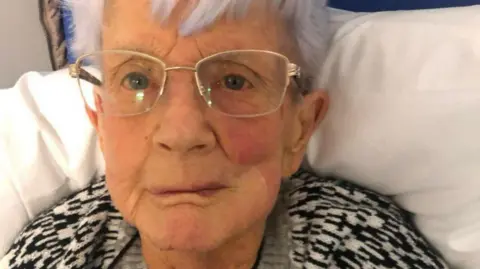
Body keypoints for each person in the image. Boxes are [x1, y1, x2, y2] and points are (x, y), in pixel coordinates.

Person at [4, 0, 448, 268]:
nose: (181, 133)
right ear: (100, 121)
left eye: (235, 81)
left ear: (300, 127)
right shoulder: (55, 250)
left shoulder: (360, 246)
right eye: (137, 80)